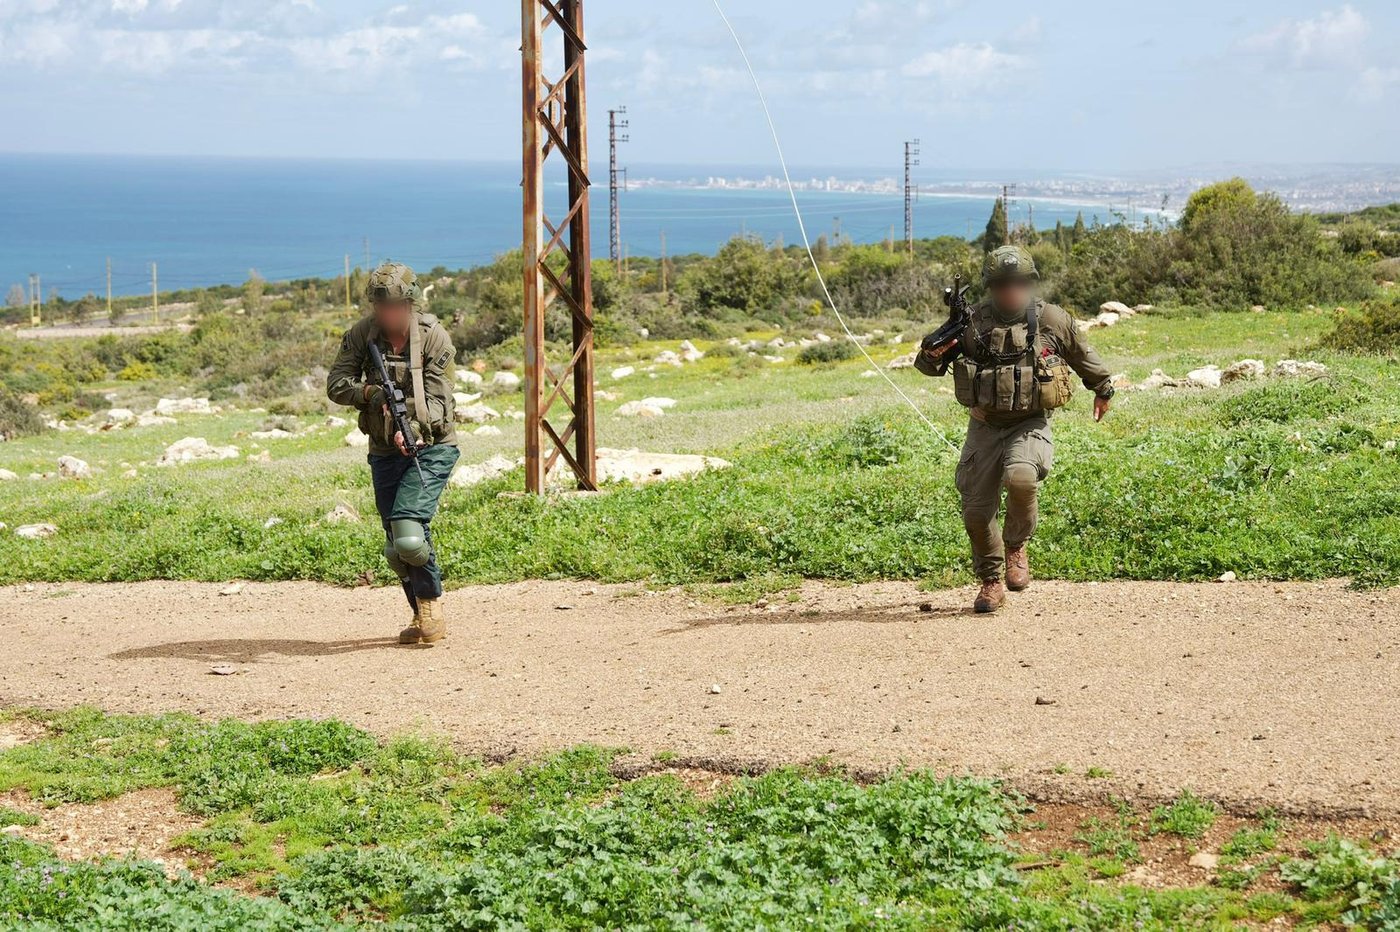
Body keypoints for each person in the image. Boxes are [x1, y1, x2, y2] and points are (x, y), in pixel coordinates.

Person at [921, 245, 1115, 613]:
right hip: (984, 424)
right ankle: (990, 581)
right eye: (1002, 284)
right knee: (976, 513)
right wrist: (932, 352)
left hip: (1029, 421)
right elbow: (930, 365)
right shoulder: (972, 321)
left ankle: (1016, 546)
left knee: (1022, 477)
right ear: (991, 287)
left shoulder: (1051, 320)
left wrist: (1102, 388)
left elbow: (1081, 355)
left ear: (1029, 283)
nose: (1011, 290)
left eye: (1018, 283)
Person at [327, 262, 460, 644]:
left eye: (396, 305)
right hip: (384, 450)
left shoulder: (434, 338)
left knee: (409, 536)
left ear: (411, 302)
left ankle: (431, 607)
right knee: (394, 546)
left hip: (433, 447)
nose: (388, 314)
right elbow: (336, 385)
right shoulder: (361, 335)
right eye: (381, 306)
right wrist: (371, 393)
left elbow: (440, 401)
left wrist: (414, 429)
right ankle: (420, 615)